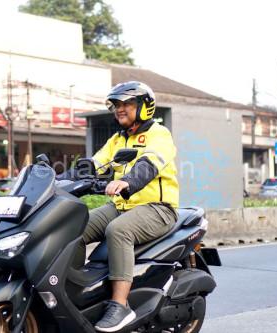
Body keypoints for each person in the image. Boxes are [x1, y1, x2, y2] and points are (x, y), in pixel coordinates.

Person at [81, 81, 180, 332]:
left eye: (127, 104)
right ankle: (76, 291)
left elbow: (149, 163)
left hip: (158, 208)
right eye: (116, 105)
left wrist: (127, 181)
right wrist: (56, 177)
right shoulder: (117, 140)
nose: (119, 110)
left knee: (118, 230)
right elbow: (94, 164)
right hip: (122, 205)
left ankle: (120, 304)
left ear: (144, 107)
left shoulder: (160, 134)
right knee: (73, 225)